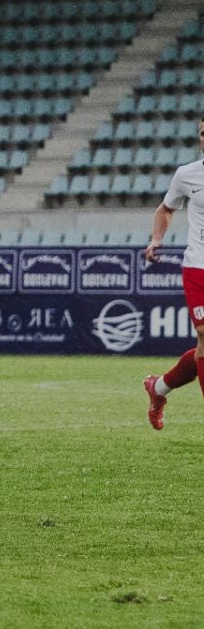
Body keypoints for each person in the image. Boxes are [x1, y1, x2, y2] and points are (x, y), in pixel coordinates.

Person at [141, 117, 204, 429]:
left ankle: (159, 387)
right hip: (198, 267)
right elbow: (166, 208)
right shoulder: (188, 174)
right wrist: (157, 239)